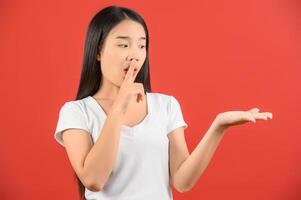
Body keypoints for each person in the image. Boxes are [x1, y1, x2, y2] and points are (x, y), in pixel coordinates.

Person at [54, 5, 273, 200]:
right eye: (123, 45)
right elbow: (93, 179)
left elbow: (182, 181)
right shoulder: (77, 112)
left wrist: (218, 126)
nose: (135, 55)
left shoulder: (166, 105)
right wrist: (119, 107)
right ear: (98, 51)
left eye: (142, 46)